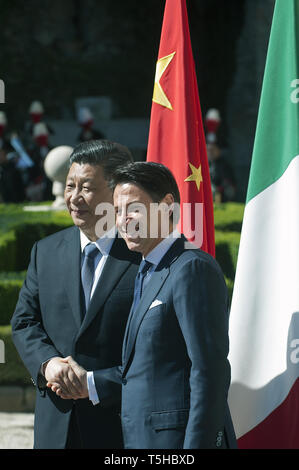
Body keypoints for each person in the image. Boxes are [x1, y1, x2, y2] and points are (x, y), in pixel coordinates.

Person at [54, 161, 237, 449]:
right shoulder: (146, 271)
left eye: (133, 209)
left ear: (166, 206)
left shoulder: (192, 268)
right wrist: (87, 383)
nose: (123, 220)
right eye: (117, 211)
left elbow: (209, 371)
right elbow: (145, 370)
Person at [11, 139, 141, 449]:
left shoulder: (144, 254)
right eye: (70, 186)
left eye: (86, 187)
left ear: (117, 190)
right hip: (56, 427)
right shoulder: (46, 251)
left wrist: (95, 384)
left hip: (120, 427)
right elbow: (25, 321)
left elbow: (161, 349)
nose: (74, 197)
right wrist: (48, 364)